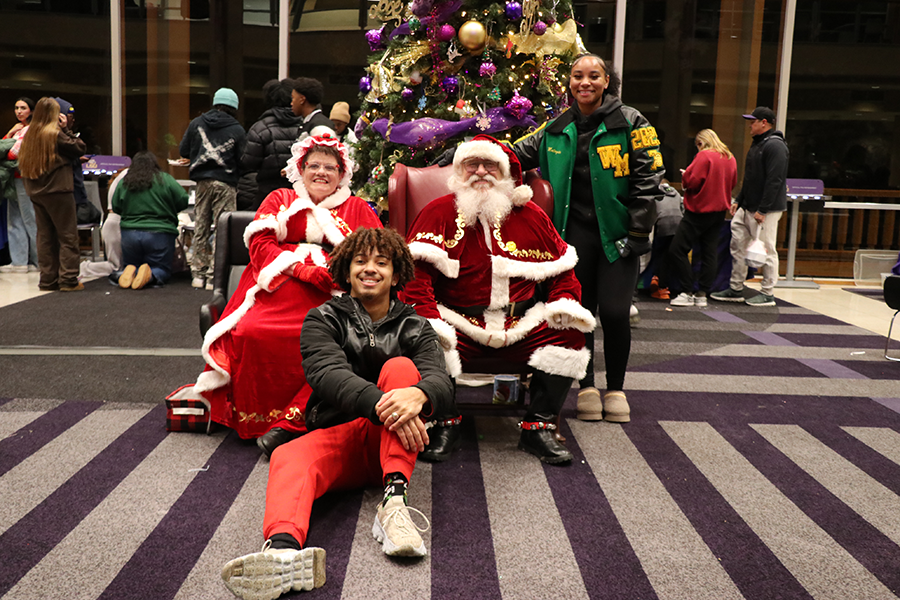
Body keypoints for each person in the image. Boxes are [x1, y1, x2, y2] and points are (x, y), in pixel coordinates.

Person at [220, 227, 453, 599]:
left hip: (391, 446)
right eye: (360, 261)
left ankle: (394, 505)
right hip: (343, 436)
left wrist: (420, 393)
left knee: (404, 373)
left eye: (381, 262)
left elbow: (442, 381)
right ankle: (282, 553)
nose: (370, 269)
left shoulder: (416, 325)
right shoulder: (322, 318)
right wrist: (391, 404)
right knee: (287, 455)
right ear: (345, 271)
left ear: (396, 274)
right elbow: (328, 375)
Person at [402, 136, 596, 464]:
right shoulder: (437, 213)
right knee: (426, 339)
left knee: (570, 333)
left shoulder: (532, 216)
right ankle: (444, 424)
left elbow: (563, 273)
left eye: (490, 164)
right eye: (471, 165)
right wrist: (431, 320)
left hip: (521, 322)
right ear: (459, 171)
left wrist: (563, 303)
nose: (480, 172)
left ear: (504, 172)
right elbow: (415, 280)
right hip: (458, 322)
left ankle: (539, 426)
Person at [189, 134, 382, 454]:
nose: (321, 172)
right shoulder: (280, 198)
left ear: (342, 174)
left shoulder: (358, 208)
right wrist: (300, 268)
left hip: (331, 294)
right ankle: (258, 420)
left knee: (336, 342)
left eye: (330, 168)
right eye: (314, 166)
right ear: (300, 169)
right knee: (251, 332)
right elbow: (261, 244)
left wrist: (338, 274)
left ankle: (298, 421)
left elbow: (376, 255)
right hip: (275, 287)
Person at [509, 54, 664, 423]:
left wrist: (637, 233)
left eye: (593, 76)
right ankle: (588, 388)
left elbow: (649, 182)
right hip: (571, 240)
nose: (585, 82)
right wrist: (470, 151)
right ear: (570, 82)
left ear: (606, 81)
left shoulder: (632, 123)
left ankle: (616, 388)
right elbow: (514, 153)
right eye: (577, 76)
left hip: (618, 237)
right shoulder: (555, 128)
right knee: (581, 314)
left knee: (613, 314)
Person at [710, 106, 788, 307]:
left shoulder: (775, 146)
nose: (750, 126)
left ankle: (768, 292)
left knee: (767, 249)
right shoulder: (758, 145)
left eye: (753, 121)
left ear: (764, 122)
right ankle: (736, 287)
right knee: (738, 247)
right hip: (748, 206)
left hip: (765, 210)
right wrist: (739, 200)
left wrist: (763, 209)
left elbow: (775, 180)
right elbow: (750, 178)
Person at [14, 97, 86, 292]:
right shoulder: (54, 133)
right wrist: (66, 129)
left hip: (35, 191)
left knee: (44, 236)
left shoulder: (28, 134)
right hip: (58, 190)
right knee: (67, 236)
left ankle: (47, 279)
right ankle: (68, 279)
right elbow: (79, 147)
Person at [179, 87, 246, 289]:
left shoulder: (196, 123)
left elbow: (183, 150)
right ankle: (214, 276)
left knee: (200, 226)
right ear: (234, 107)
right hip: (226, 184)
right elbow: (243, 160)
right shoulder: (237, 129)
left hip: (201, 183)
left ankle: (197, 274)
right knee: (222, 229)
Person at [668, 129, 737, 307]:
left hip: (698, 211)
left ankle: (686, 290)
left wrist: (685, 176)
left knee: (677, 249)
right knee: (709, 252)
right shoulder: (730, 158)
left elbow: (692, 181)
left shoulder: (704, 156)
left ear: (701, 142)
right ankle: (702, 294)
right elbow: (733, 182)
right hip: (719, 211)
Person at [109, 151, 189, 289]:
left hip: (130, 234)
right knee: (161, 268)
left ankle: (128, 271)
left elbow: (116, 206)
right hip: (160, 233)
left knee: (132, 264)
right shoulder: (164, 179)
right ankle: (152, 274)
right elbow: (183, 200)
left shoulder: (125, 181)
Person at [241, 79, 304, 210]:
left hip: (267, 194)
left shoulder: (260, 128)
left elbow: (249, 163)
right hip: (300, 194)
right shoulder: (307, 126)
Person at [1, 97, 39, 273]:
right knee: (14, 219)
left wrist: (8, 142)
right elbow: (4, 147)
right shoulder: (17, 130)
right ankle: (19, 262)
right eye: (16, 108)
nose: (19, 111)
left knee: (30, 219)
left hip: (25, 177)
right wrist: (10, 134)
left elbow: (10, 153)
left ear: (31, 110)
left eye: (23, 108)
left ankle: (40, 261)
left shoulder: (33, 129)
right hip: (13, 178)